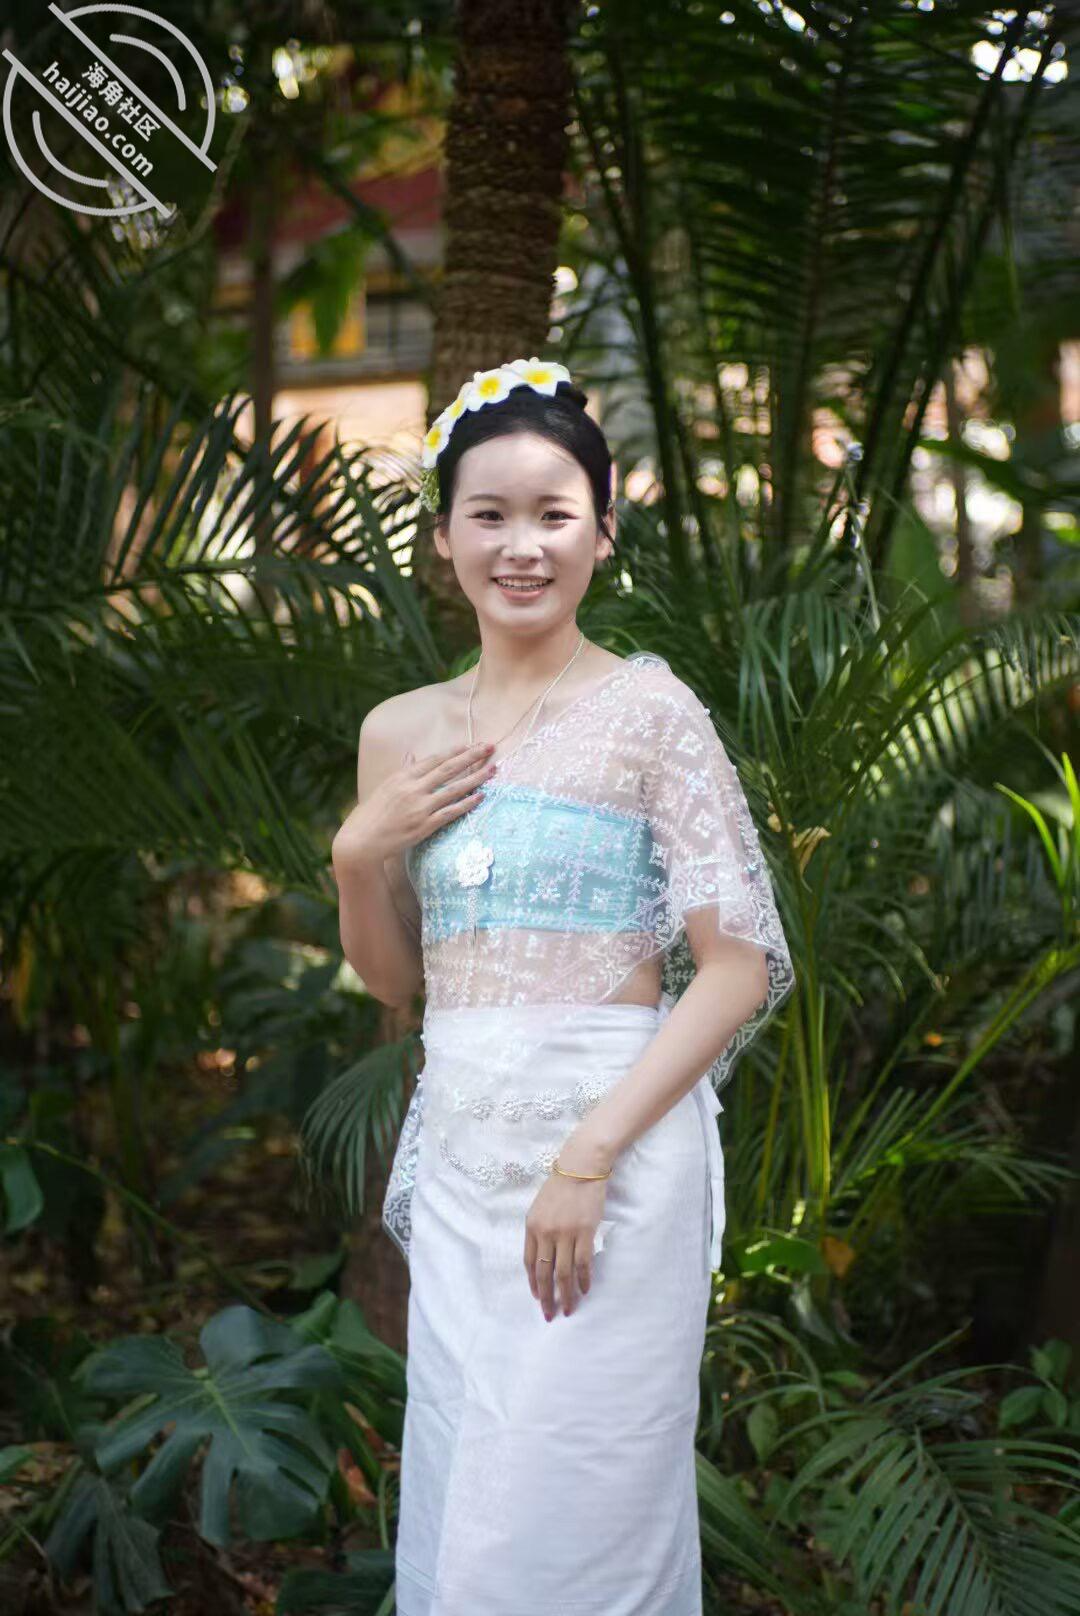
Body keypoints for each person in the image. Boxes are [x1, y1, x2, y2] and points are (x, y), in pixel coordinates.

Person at [330, 357, 795, 1616]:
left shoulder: (653, 710)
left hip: (615, 1153)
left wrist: (588, 1155)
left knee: (580, 1500)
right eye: (489, 514)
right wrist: (357, 856)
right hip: (465, 1148)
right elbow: (397, 981)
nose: (521, 545)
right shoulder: (399, 730)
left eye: (553, 513)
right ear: (443, 535)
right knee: (472, 1490)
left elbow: (738, 966)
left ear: (603, 530)